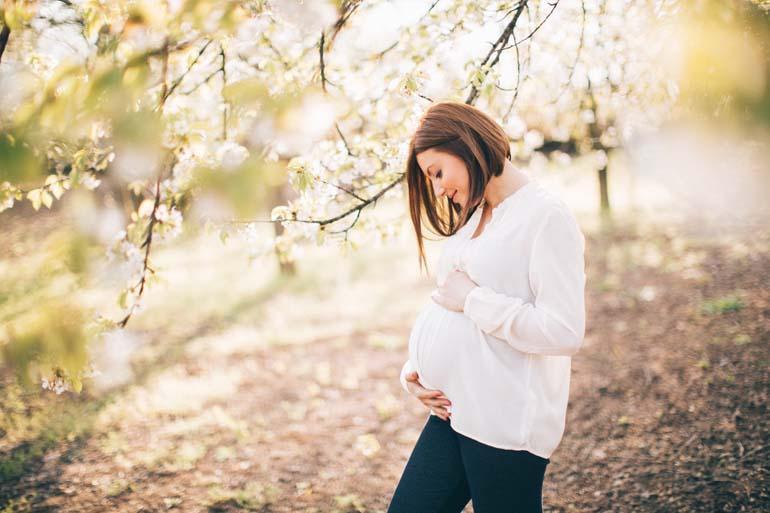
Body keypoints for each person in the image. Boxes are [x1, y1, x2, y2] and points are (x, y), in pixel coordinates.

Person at [387, 101, 586, 513]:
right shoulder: (477, 213)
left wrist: (475, 301)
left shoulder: (545, 217)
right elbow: (449, 298)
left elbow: (563, 330)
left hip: (504, 424)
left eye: (437, 172)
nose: (438, 189)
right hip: (455, 412)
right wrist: (416, 367)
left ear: (466, 144)